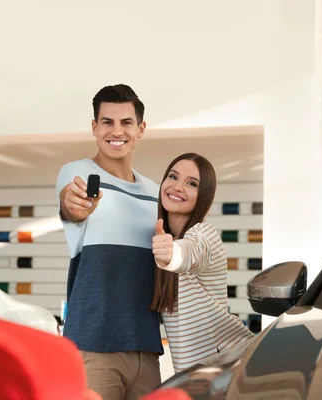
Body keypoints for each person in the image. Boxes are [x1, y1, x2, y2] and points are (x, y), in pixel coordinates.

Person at [56, 84, 163, 400]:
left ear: (140, 129)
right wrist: (74, 205)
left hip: (146, 348)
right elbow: (70, 204)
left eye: (126, 122)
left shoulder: (155, 191)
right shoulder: (77, 172)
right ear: (94, 127)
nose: (117, 131)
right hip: (93, 347)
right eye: (107, 122)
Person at [150, 152, 255, 373]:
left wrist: (171, 254)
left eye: (191, 183)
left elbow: (193, 252)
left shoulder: (205, 234)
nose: (177, 187)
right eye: (172, 176)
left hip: (230, 364)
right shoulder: (166, 235)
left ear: (203, 196)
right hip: (199, 372)